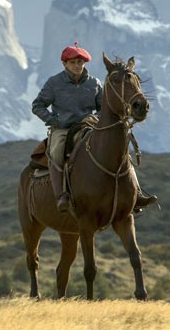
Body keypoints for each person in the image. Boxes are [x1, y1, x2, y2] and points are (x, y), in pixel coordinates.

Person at [32, 42, 157, 213]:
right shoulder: (54, 83)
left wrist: (96, 118)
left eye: (80, 62)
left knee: (118, 149)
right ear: (65, 64)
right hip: (63, 129)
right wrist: (53, 120)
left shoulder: (94, 83)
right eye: (73, 62)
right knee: (56, 151)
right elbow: (38, 105)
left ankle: (136, 193)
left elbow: (102, 107)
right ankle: (62, 195)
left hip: (88, 126)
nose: (77, 66)